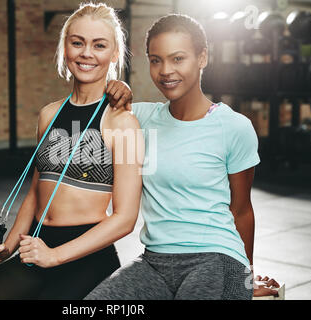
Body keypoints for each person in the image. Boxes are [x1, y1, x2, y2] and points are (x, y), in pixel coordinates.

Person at [0, 2, 143, 300]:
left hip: (87, 256)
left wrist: (56, 256)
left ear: (114, 54)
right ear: (65, 48)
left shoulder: (123, 122)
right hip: (36, 247)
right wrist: (7, 247)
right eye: (77, 42)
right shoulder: (48, 115)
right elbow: (36, 193)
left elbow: (125, 218)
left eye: (99, 45)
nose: (86, 53)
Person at [86, 13, 280, 300]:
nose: (165, 70)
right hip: (154, 262)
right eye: (156, 60)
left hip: (218, 258)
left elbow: (241, 211)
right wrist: (117, 89)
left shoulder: (234, 127)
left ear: (202, 58)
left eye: (178, 59)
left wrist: (245, 279)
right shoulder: (139, 118)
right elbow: (85, 109)